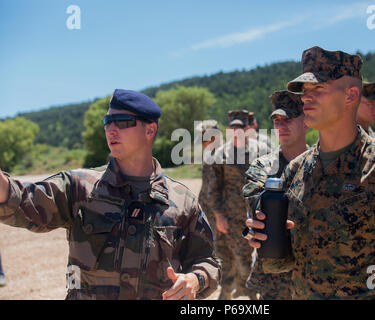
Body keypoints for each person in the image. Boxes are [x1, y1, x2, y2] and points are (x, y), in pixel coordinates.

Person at [246, 46, 375, 299]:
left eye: (318, 89)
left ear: (351, 95)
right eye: (305, 91)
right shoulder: (296, 171)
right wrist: (266, 238)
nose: (306, 98)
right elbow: (285, 264)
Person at [0, 89, 221, 300]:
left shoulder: (182, 200)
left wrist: (195, 279)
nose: (111, 129)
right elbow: (19, 197)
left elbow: (208, 260)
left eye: (123, 122)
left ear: (150, 130)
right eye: (107, 122)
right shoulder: (78, 187)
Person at [243, 90, 308, 300]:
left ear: (307, 120)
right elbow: (256, 209)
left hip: (317, 274)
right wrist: (252, 229)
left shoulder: (322, 165)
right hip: (276, 278)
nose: (281, 126)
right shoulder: (262, 167)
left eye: (288, 119)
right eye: (277, 120)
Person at [208, 110, 268, 300]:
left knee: (258, 262)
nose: (237, 131)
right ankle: (246, 298)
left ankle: (251, 296)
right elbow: (214, 188)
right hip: (233, 220)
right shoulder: (221, 154)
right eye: (233, 127)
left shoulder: (261, 151)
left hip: (259, 217)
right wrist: (218, 215)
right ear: (228, 129)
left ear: (247, 129)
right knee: (240, 263)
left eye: (240, 127)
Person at [196, 120, 220, 234]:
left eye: (204, 139)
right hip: (207, 210)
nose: (202, 144)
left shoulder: (224, 156)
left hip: (218, 214)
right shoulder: (209, 154)